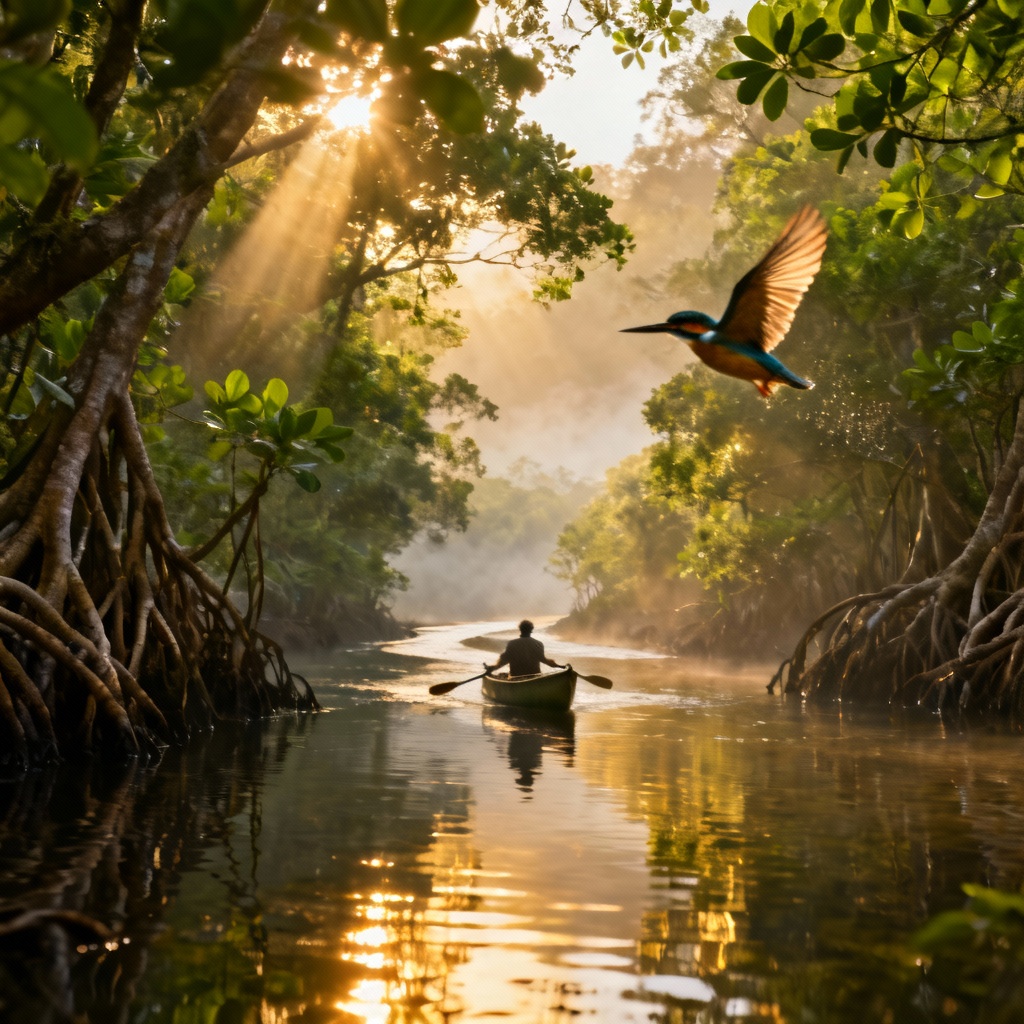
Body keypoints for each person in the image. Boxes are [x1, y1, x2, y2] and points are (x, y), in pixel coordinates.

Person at [485, 620, 566, 678]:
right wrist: (561, 667)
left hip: (515, 678)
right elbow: (545, 661)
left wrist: (490, 669)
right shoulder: (538, 644)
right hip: (535, 678)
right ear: (531, 630)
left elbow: (503, 662)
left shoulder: (512, 644)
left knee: (503, 675)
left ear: (520, 629)